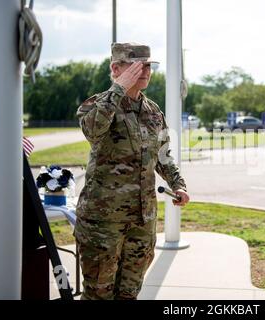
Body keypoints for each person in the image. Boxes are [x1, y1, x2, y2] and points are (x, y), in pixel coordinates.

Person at [74, 42, 189, 300]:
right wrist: (119, 89)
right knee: (98, 295)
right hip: (103, 224)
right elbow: (92, 131)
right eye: (138, 65)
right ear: (116, 68)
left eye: (149, 65)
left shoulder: (152, 111)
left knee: (129, 294)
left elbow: (162, 155)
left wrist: (178, 184)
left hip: (142, 221)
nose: (146, 71)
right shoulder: (97, 104)